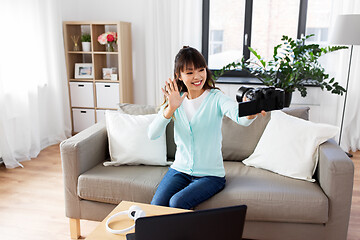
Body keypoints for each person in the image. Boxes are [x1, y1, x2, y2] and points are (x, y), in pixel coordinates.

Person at [148, 46, 266, 210]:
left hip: (211, 176)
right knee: (156, 206)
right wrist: (171, 108)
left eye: (201, 70)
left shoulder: (216, 98)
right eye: (189, 73)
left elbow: (241, 117)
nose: (197, 77)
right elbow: (152, 134)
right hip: (179, 170)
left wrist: (250, 112)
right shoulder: (175, 100)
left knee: (177, 202)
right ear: (179, 76)